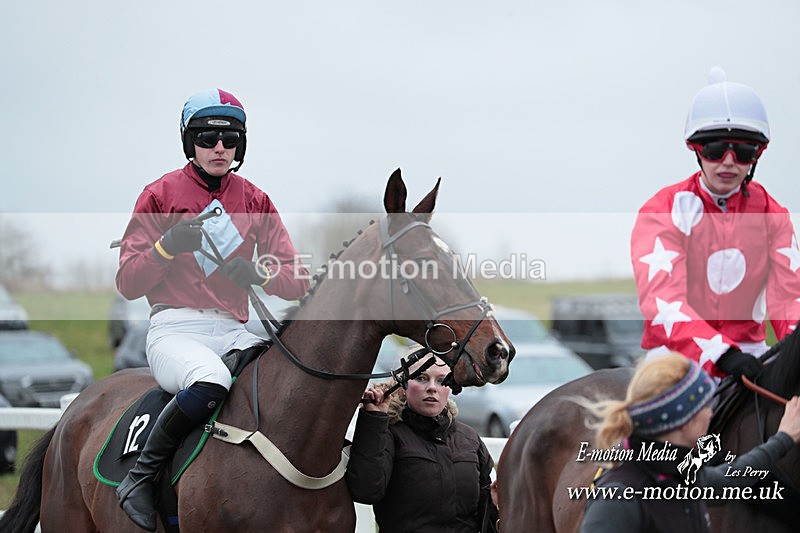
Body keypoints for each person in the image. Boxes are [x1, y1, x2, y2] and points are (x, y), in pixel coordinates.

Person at [114, 88, 310, 531]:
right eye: (206, 138)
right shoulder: (159, 194)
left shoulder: (256, 200)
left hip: (234, 329)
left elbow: (297, 278)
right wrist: (165, 247)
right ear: (190, 143)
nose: (219, 148)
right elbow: (127, 282)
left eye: (229, 139)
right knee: (213, 379)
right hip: (174, 330)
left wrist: (259, 272)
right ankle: (140, 480)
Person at [630, 67, 800, 382]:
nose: (728, 161)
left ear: (757, 155)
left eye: (744, 151)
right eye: (715, 149)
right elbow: (663, 301)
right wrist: (720, 353)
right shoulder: (661, 210)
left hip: (751, 354)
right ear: (696, 149)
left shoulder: (774, 215)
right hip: (672, 357)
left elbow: (790, 299)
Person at [579, 353, 800, 532]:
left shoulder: (681, 476)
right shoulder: (619, 497)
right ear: (684, 422)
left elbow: (733, 477)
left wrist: (784, 438)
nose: (710, 414)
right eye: (705, 406)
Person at [346, 351, 498, 533]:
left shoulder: (469, 439)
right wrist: (374, 419)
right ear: (404, 386)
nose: (432, 388)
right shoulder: (388, 434)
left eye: (442, 380)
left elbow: (486, 521)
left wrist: (496, 505)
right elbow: (365, 490)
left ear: (449, 387)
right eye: (421, 378)